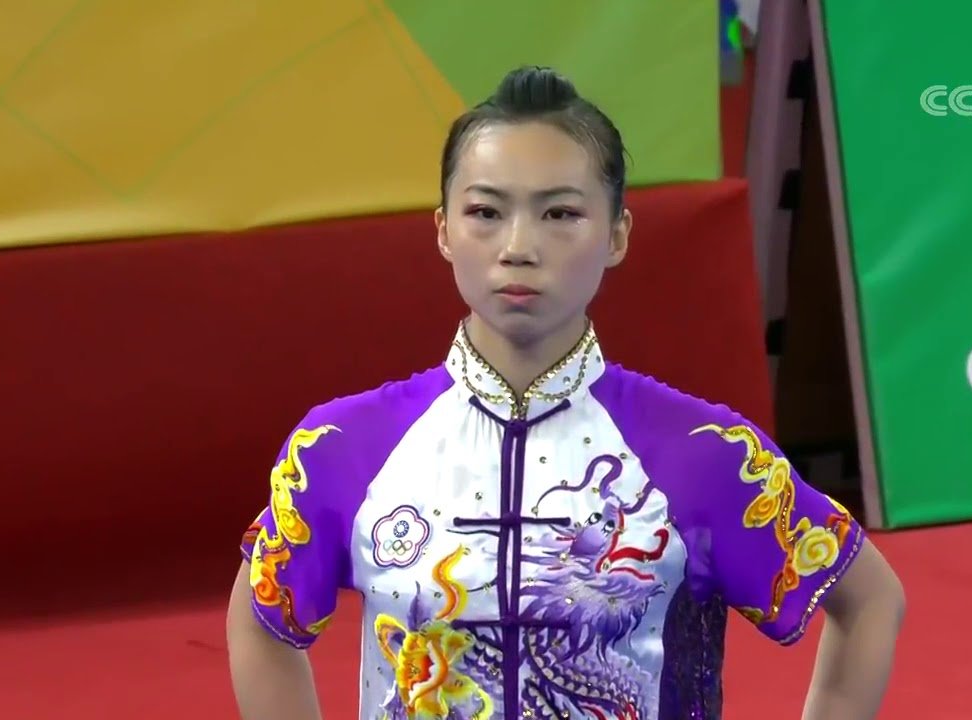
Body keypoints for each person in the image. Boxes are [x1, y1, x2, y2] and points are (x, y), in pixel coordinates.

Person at [227, 65, 905, 720]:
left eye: (559, 213)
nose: (519, 246)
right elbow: (260, 616)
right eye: (486, 211)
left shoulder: (700, 454)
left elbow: (870, 600)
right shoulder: (346, 446)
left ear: (616, 235)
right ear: (443, 231)